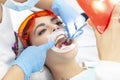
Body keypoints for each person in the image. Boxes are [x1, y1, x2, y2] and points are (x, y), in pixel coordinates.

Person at [4, 5, 120, 79]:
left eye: (59, 23)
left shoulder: (103, 65)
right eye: (42, 31)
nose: (55, 27)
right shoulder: (109, 65)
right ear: (32, 51)